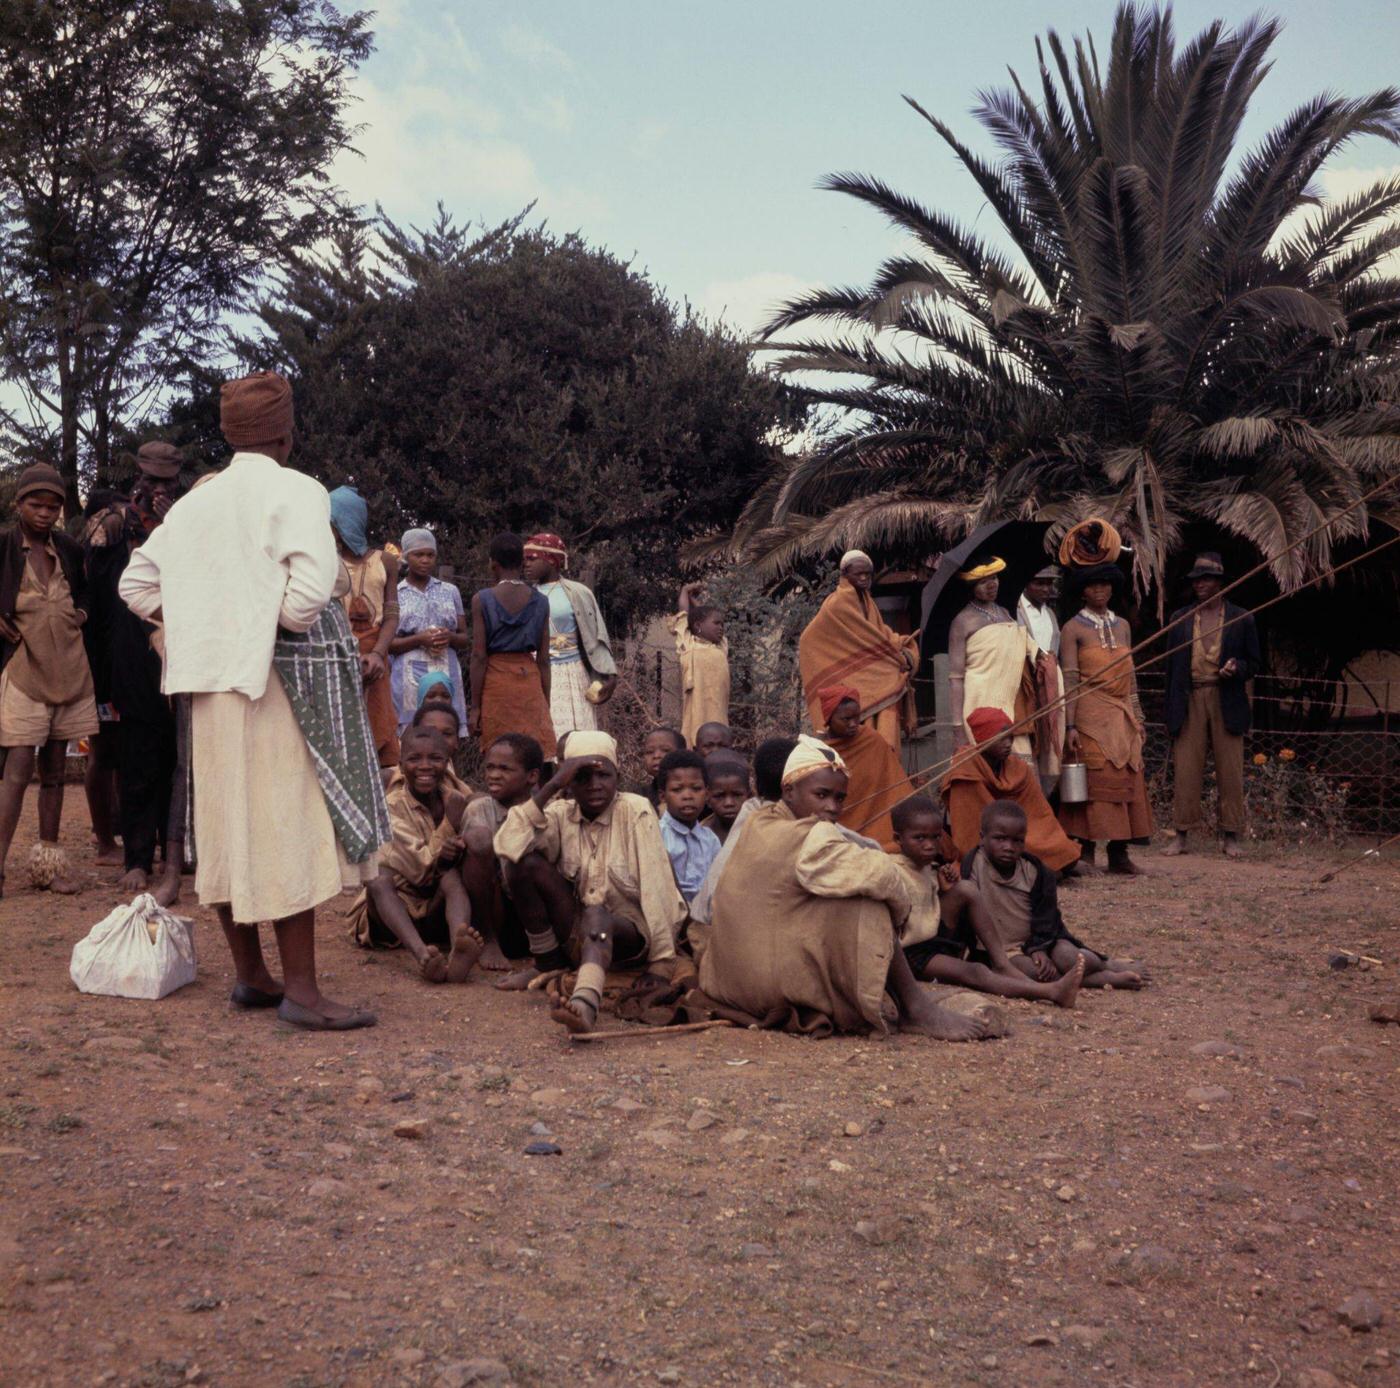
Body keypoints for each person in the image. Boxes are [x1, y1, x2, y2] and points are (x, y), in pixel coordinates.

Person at [119, 370, 380, 1029]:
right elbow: (306, 599)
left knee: (226, 824)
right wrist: (259, 622)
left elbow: (137, 586)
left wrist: (205, 626)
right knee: (283, 824)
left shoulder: (196, 502)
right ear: (286, 435)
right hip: (273, 682)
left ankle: (251, 977)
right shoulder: (295, 489)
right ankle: (302, 992)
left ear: (232, 433)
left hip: (208, 688)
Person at [696, 735, 989, 1040]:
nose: (832, 807)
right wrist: (901, 913)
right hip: (760, 987)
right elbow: (883, 875)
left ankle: (909, 1001)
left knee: (848, 888)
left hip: (729, 980)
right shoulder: (810, 835)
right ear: (789, 790)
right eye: (821, 795)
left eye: (838, 798)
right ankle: (915, 1006)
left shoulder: (760, 820)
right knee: (867, 899)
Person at [495, 730, 687, 1030]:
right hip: (578, 927)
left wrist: (662, 962)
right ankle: (547, 962)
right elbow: (507, 846)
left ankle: (584, 1004)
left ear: (617, 777)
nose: (595, 786)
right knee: (523, 864)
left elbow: (657, 884)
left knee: (598, 914)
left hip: (628, 933)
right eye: (582, 777)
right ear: (569, 782)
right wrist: (553, 786)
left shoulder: (635, 810)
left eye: (604, 776)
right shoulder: (560, 813)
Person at [84, 455, 186, 895]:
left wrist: (174, 528)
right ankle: (137, 858)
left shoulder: (189, 519)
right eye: (150, 481)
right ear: (137, 479)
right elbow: (101, 595)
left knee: (178, 757)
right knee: (137, 757)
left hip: (181, 651)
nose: (156, 491)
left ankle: (175, 855)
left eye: (166, 483)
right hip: (127, 654)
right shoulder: (112, 525)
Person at [0, 464, 98, 895]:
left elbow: (90, 594)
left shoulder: (70, 550)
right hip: (24, 672)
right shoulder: (3, 547)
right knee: (18, 769)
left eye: (53, 506)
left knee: (56, 771)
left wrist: (80, 614)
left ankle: (48, 868)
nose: (45, 513)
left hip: (70, 670)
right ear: (17, 504)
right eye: (36, 505)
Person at [891, 796, 1084, 1007]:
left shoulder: (931, 867)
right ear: (898, 839)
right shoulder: (892, 872)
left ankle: (1001, 963)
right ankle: (1050, 991)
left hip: (935, 942)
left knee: (966, 888)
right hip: (911, 954)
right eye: (919, 838)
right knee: (975, 972)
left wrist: (944, 891)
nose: (929, 845)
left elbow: (930, 909)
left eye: (936, 837)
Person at [347, 726, 482, 981]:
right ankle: (423, 956)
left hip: (434, 909)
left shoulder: (455, 796)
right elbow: (419, 870)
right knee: (378, 879)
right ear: (400, 764)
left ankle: (457, 952)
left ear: (447, 762)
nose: (425, 766)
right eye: (414, 759)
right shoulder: (391, 806)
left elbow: (479, 805)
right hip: (392, 915)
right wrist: (448, 828)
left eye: (435, 759)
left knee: (451, 878)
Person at [965, 800, 1146, 989]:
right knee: (1036, 973)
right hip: (1006, 950)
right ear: (982, 837)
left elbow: (1047, 918)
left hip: (1042, 939)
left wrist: (1038, 947)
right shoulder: (973, 865)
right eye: (1000, 839)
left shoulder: (1035, 871)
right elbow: (968, 911)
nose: (1009, 847)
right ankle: (1105, 979)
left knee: (1071, 958)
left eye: (1017, 841)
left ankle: (1105, 964)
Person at [1162, 553, 1261, 860]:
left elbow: (1254, 663)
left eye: (1207, 579)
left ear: (1221, 583)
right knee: (1186, 768)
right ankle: (1181, 835)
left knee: (1230, 770)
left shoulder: (1241, 618)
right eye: (1197, 580)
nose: (1201, 585)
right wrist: (1170, 709)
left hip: (1226, 697)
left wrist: (1237, 667)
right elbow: (1170, 669)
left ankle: (1231, 835)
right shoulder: (1179, 619)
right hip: (1190, 697)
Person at [1057, 564, 1153, 874]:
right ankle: (1085, 851)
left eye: (1105, 585)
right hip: (1089, 714)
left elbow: (1131, 675)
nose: (1100, 590)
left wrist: (1137, 716)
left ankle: (1119, 852)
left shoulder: (1123, 625)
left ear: (1112, 589)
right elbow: (1070, 680)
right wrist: (1070, 725)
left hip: (1121, 713)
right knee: (1094, 780)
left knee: (1128, 776)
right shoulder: (1072, 628)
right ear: (1083, 591)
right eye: (1093, 585)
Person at [799, 550, 918, 751]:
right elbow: (808, 638)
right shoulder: (838, 603)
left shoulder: (867, 601)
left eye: (867, 574)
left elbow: (876, 635)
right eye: (858, 574)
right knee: (889, 679)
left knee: (890, 680)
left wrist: (899, 648)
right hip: (853, 681)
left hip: (870, 676)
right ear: (845, 575)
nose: (863, 578)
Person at [687, 736, 796, 951]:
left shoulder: (754, 815)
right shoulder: (754, 821)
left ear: (752, 787)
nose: (729, 803)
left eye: (736, 794)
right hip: (738, 944)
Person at [941, 707, 1080, 872]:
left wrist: (1049, 841)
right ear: (984, 739)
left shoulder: (1018, 768)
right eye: (1001, 739)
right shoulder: (965, 769)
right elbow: (971, 827)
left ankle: (1040, 868)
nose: (1008, 745)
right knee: (1018, 855)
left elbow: (1040, 816)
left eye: (1010, 738)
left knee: (1063, 851)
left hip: (1020, 835)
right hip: (992, 839)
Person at [523, 532, 619, 743]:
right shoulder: (526, 595)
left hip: (573, 672)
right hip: (539, 672)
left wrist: (609, 674)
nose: (526, 564)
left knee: (578, 735)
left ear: (551, 560)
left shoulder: (579, 593)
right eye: (525, 559)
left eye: (532, 558)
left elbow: (596, 635)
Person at [459, 732, 542, 973]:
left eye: (505, 769)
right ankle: (488, 940)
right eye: (490, 767)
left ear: (532, 776)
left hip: (531, 911)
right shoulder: (480, 809)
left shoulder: (549, 812)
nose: (494, 775)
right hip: (494, 910)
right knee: (479, 839)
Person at [329, 486, 400, 769]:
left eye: (331, 522)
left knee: (380, 726)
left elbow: (392, 615)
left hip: (375, 660)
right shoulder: (324, 561)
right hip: (337, 655)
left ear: (345, 522)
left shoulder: (386, 561)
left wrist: (378, 654)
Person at [947, 556, 1042, 762]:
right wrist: (957, 728)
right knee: (985, 766)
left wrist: (1044, 661)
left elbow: (1030, 652)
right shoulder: (962, 621)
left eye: (995, 577)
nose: (992, 585)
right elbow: (956, 678)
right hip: (978, 704)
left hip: (1011, 701)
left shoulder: (1007, 614)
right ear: (971, 586)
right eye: (983, 581)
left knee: (1022, 766)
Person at [469, 533, 556, 757]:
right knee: (532, 753)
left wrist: (476, 707)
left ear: (493, 564)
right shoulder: (541, 601)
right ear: (521, 562)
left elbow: (479, 657)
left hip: (496, 683)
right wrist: (544, 701)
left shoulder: (482, 599)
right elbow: (544, 659)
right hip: (529, 681)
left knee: (499, 752)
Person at [389, 527, 468, 735]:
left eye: (430, 555)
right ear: (406, 557)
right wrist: (419, 639)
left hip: (446, 669)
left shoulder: (450, 591)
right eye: (418, 555)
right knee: (411, 731)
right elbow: (388, 644)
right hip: (408, 674)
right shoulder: (395, 593)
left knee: (446, 727)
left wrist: (449, 637)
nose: (425, 560)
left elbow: (464, 638)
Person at [818, 683, 911, 849]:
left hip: (881, 828)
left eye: (857, 717)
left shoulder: (871, 739)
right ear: (829, 719)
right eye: (846, 719)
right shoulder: (816, 752)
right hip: (834, 833)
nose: (854, 724)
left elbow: (896, 786)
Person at [1017, 564, 1064, 794]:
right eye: (1040, 583)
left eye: (1049, 583)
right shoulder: (1016, 611)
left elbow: (1054, 646)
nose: (1046, 588)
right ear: (1027, 584)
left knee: (1052, 738)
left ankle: (1048, 795)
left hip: (1051, 682)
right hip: (1027, 681)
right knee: (1032, 737)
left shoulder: (1050, 613)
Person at [656, 749, 722, 904]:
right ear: (662, 796)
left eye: (696, 788)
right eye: (677, 789)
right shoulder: (656, 835)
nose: (687, 796)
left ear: (707, 794)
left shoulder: (710, 840)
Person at [669, 582, 730, 748]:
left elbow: (703, 615)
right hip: (696, 715)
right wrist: (685, 591)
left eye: (722, 624)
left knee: (719, 744)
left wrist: (696, 603)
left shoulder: (721, 647)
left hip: (719, 715)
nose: (721, 628)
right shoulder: (688, 646)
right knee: (695, 743)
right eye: (716, 623)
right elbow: (684, 616)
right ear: (697, 626)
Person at [408, 700, 472, 795]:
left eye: (446, 734)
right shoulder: (391, 784)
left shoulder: (463, 792)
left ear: (457, 741)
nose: (439, 740)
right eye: (430, 731)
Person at [700, 753, 749, 844]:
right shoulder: (700, 836)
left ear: (748, 795)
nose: (729, 803)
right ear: (707, 798)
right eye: (719, 796)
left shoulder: (760, 829)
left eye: (737, 795)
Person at [634, 727, 685, 809]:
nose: (656, 756)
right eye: (649, 752)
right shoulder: (640, 796)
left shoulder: (692, 793)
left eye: (665, 750)